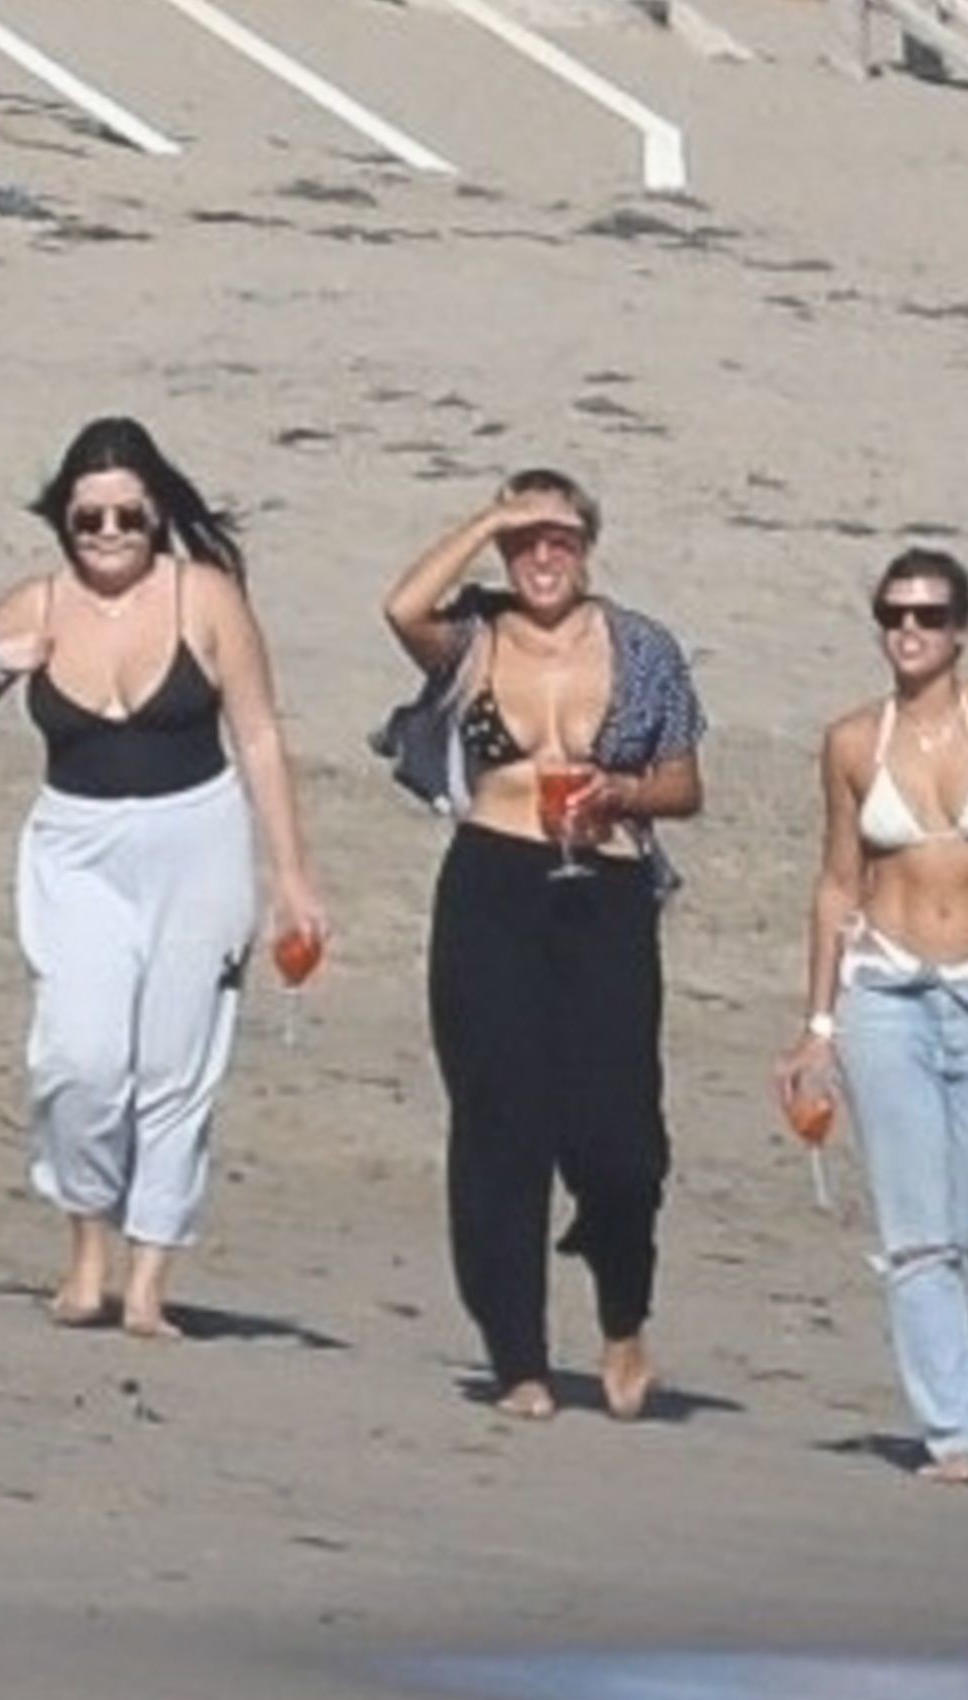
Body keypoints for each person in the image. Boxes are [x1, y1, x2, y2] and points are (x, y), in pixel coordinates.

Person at [0, 416, 325, 1337]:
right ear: (64, 519)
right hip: (76, 850)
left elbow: (259, 735)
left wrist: (292, 876)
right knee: (80, 1061)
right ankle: (86, 1255)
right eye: (89, 518)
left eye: (128, 517)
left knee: (176, 1066)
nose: (109, 534)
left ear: (157, 515)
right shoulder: (35, 604)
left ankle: (146, 1281)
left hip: (197, 841)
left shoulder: (204, 597)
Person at [382, 468, 706, 1420]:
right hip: (494, 882)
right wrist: (491, 517)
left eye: (558, 537)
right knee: (498, 1124)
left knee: (621, 1139)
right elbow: (401, 607)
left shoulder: (642, 649)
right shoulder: (473, 638)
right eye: (524, 542)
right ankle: (517, 1355)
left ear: (587, 547)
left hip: (605, 885)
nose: (541, 557)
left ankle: (623, 1315)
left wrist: (625, 792)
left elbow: (685, 785)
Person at [777, 548, 968, 1482]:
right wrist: (819, 1026)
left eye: (929, 615)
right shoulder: (853, 741)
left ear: (961, 629)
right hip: (887, 995)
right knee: (917, 1234)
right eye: (894, 614)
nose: (910, 630)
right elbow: (837, 884)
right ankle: (955, 1432)